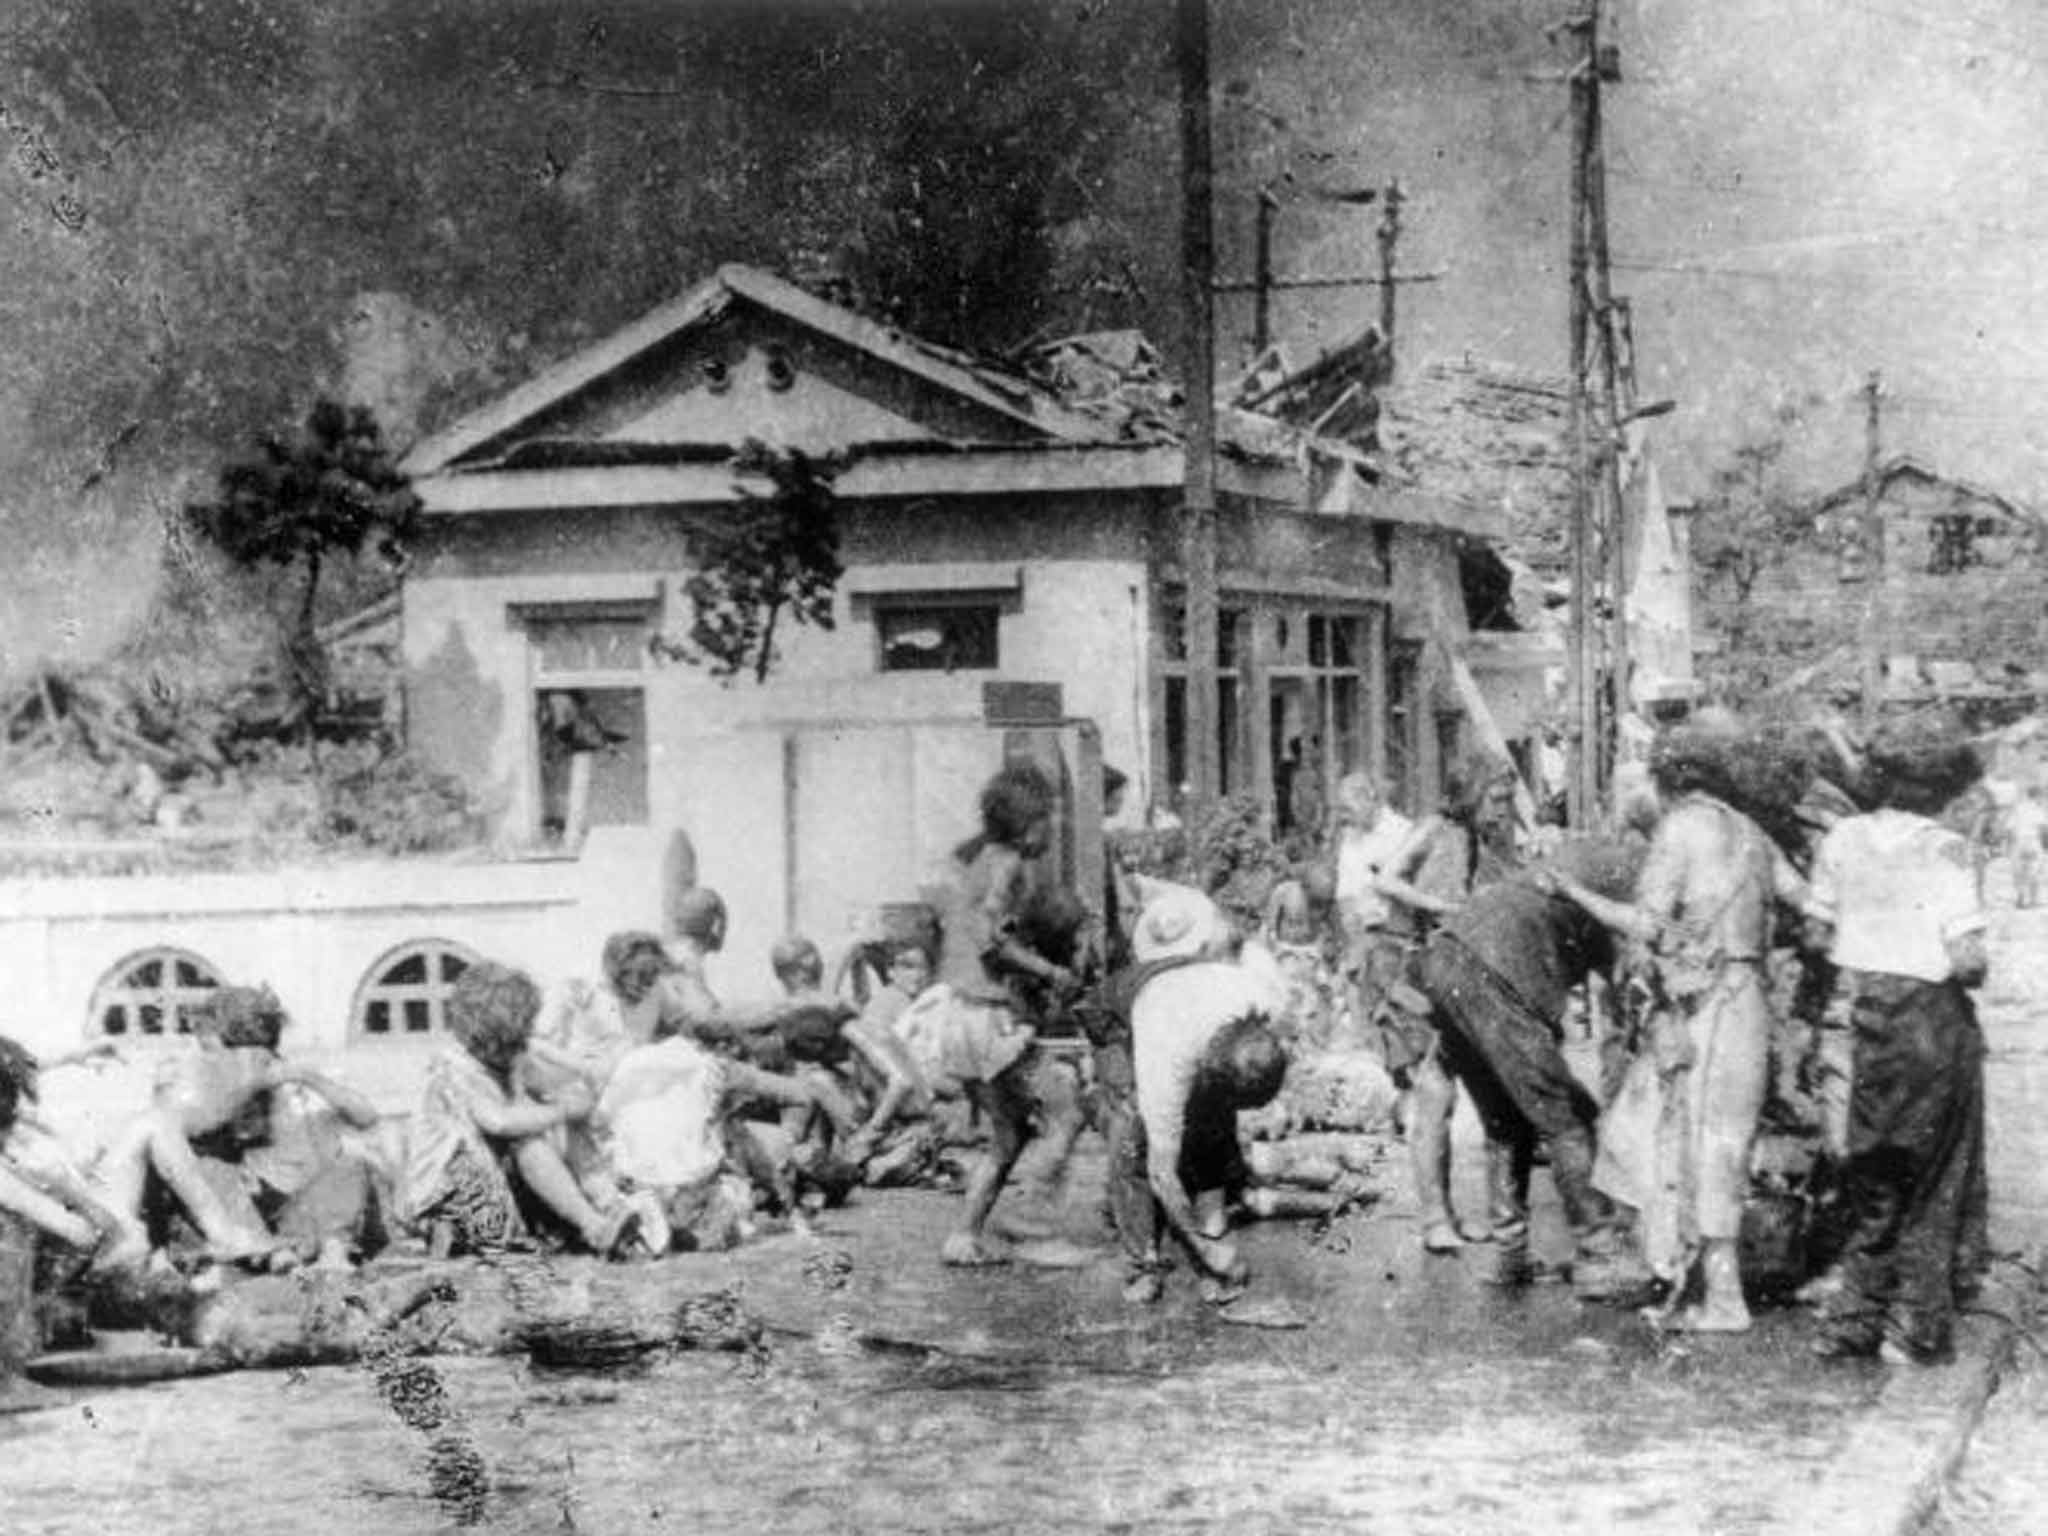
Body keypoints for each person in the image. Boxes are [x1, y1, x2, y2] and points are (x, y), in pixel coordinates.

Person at [1548, 725, 1807, 1331]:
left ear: (1667, 782)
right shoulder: (1751, 832)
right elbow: (1809, 903)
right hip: (1751, 1002)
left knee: (1679, 1141)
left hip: (1706, 1008)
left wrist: (1575, 893)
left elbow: (1645, 922)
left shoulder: (1680, 828)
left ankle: (1721, 1297)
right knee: (1722, 1144)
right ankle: (1699, 1279)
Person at [1806, 725, 1990, 1365]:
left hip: (1861, 1014)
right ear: (1942, 789)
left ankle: (1853, 1318)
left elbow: (1813, 930)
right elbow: (1967, 961)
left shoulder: (1842, 837)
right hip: (1930, 1019)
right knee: (1934, 1175)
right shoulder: (1947, 850)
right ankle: (1914, 1329)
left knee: (1873, 1174)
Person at [1412, 836, 1649, 1294]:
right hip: (1496, 969)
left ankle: (1510, 1253)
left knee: (1506, 1121)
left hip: (1447, 958)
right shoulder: (1636, 875)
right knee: (1568, 1118)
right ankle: (1599, 1251)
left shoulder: (1587, 854)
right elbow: (1623, 979)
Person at [101, 986, 387, 1270]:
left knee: (352, 1163)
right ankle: (272, 1255)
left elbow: (367, 1117)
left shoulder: (302, 1073)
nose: (209, 1055)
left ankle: (332, 1253)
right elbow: (196, 1125)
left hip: (307, 1204)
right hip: (256, 1201)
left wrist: (308, 1078)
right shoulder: (219, 1076)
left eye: (211, 1046)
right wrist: (252, 1087)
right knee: (203, 1164)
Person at [927, 761, 1085, 1267]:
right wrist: (1049, 972)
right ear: (1025, 824)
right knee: (1067, 1110)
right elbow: (991, 940)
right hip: (989, 1020)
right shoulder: (1009, 864)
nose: (1051, 832)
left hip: (959, 1014)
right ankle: (1032, 1226)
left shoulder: (981, 859)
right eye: (1047, 821)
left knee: (1008, 1135)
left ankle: (964, 1235)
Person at [1110, 887, 1289, 1304]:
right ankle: (1144, 1262)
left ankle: (1211, 1233)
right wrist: (1206, 1252)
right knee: (1132, 1140)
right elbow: (1161, 1171)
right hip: (1121, 1012)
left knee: (1210, 1124)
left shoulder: (1263, 1000)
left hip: (1190, 992)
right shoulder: (1167, 1053)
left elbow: (1242, 946)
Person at [1377, 757, 1522, 1255]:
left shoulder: (1488, 842)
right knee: (1434, 1097)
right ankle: (1435, 1217)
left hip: (1468, 979)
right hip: (1418, 976)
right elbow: (1388, 879)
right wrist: (1437, 906)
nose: (1503, 812)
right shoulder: (1435, 830)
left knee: (1488, 1097)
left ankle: (1472, 1215)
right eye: (1497, 801)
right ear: (1473, 793)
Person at [403, 960, 640, 1259]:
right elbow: (499, 1122)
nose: (517, 1050)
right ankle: (594, 1226)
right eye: (511, 1043)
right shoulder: (453, 1071)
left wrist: (576, 1090)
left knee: (559, 1111)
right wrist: (564, 1110)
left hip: (495, 1181)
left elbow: (562, 1078)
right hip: (449, 1194)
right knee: (529, 1140)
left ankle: (608, 1202)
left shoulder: (510, 1056)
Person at [1331, 771, 1416, 1052]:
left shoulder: (1402, 832)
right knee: (1361, 1022)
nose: (1343, 816)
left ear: (1370, 798)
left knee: (1396, 1021)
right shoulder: (1349, 838)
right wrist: (1354, 936)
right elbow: (1345, 894)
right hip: (1362, 939)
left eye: (1347, 808)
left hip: (1396, 938)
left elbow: (1409, 894)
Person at [2006, 784, 2046, 909]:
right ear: (2037, 796)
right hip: (2033, 841)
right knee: (2035, 869)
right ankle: (2033, 899)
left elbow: (2009, 828)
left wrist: (2008, 844)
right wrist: (2045, 844)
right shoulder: (2039, 810)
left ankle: (2021, 895)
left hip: (2018, 841)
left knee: (2019, 870)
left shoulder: (2018, 808)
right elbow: (2043, 829)